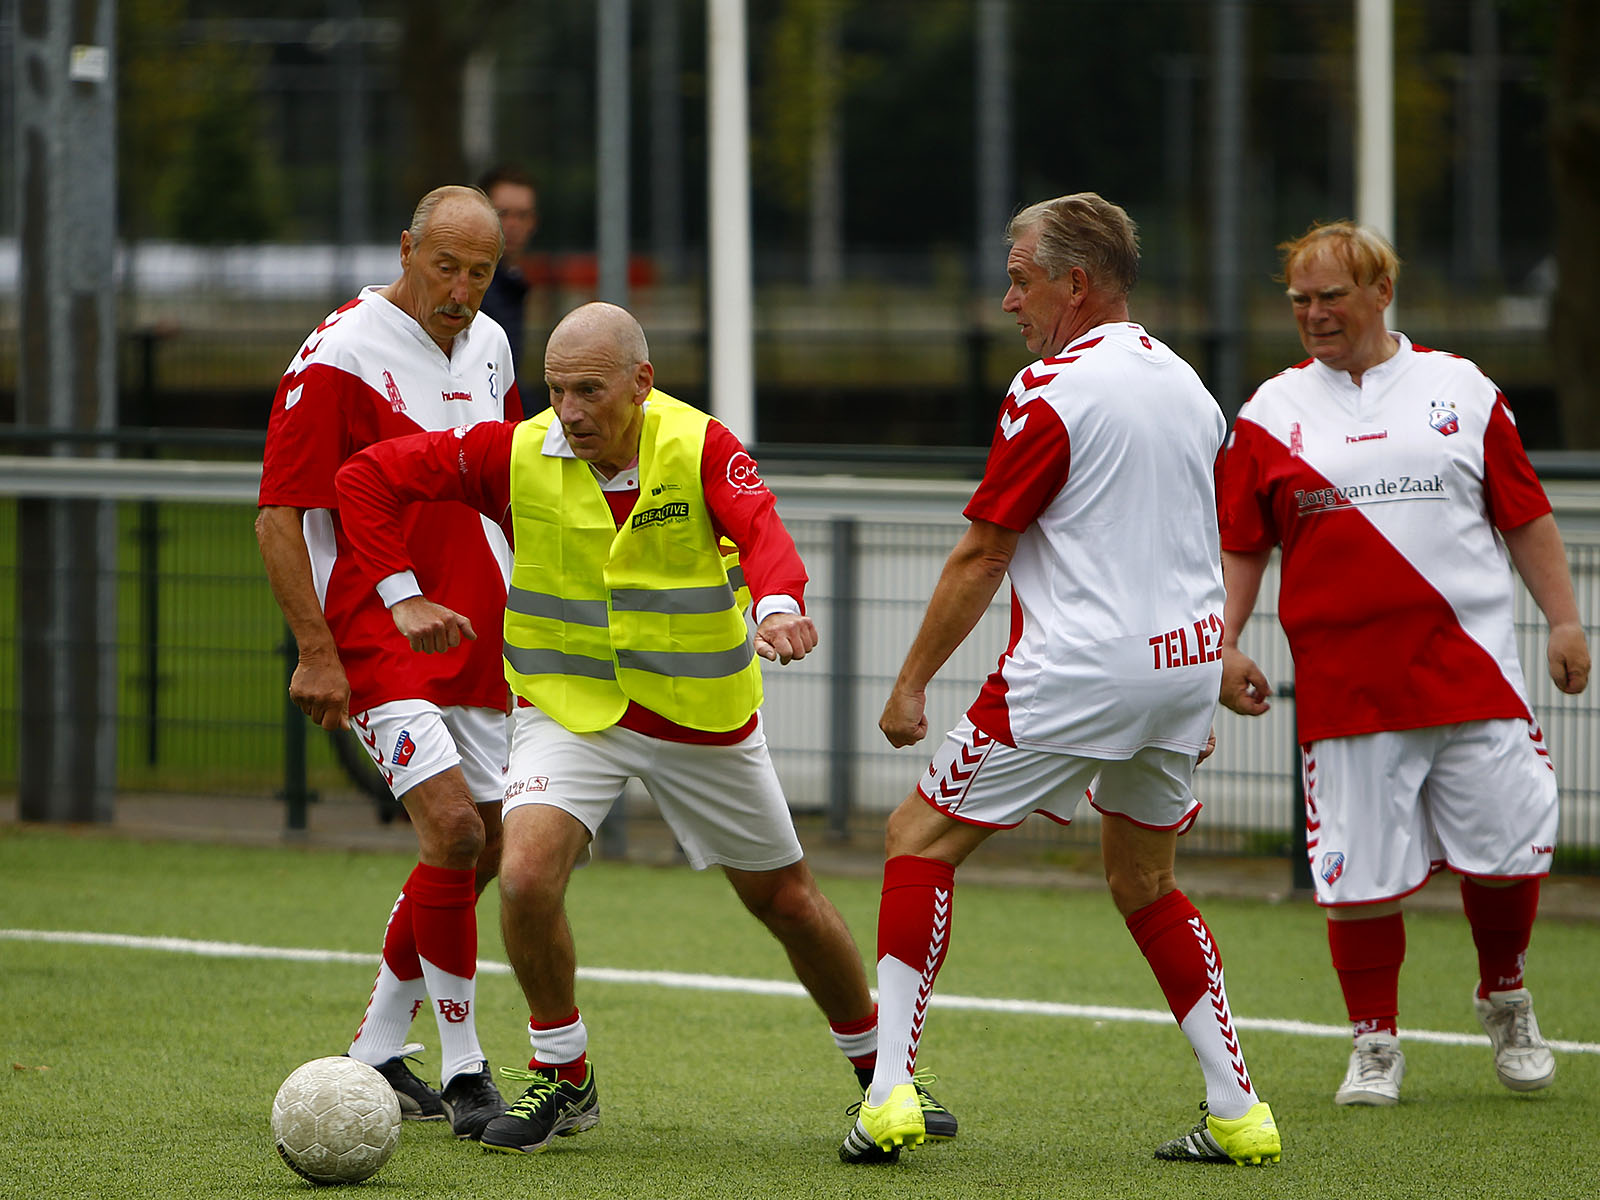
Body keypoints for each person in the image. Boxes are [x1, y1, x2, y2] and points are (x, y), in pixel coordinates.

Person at [332, 301, 956, 1156]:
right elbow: (364, 477)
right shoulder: (514, 451)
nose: (570, 411)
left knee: (787, 900)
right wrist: (401, 596)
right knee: (522, 876)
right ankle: (563, 1071)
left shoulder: (700, 445)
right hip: (570, 708)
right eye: (555, 390)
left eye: (589, 390)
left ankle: (882, 1074)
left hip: (699, 715)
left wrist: (779, 606)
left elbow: (763, 532)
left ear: (642, 382)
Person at [838, 193, 1280, 1168]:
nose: (1008, 300)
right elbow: (1185, 539)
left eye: (1020, 276)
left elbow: (980, 555)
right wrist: (1223, 654)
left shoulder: (1052, 389)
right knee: (1144, 881)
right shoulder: (1188, 384)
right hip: (1182, 667)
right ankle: (1239, 1110)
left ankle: (889, 1095)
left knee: (915, 840)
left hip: (1081, 670)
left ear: (1075, 284)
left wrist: (910, 683)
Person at [1215, 220, 1590, 1106]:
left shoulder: (1461, 388)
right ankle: (1375, 1042)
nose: (1314, 315)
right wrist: (1224, 642)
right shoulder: (1269, 413)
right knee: (1358, 877)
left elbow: (1525, 517)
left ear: (1382, 292)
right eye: (1300, 300)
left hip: (1475, 678)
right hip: (1347, 692)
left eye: (1331, 297)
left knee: (1509, 854)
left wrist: (1566, 622)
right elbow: (1242, 548)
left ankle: (1504, 994)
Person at [255, 184, 520, 1140]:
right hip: (377, 628)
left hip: (478, 633)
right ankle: (466, 1070)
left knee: (479, 846)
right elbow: (279, 512)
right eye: (444, 266)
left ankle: (374, 1045)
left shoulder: (491, 344)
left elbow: (506, 481)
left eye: (479, 272)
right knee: (452, 831)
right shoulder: (339, 352)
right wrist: (316, 650)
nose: (459, 289)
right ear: (406, 247)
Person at [475, 164, 538, 378]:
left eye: (522, 216)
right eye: (503, 214)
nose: (512, 225)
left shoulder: (512, 283)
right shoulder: (473, 289)